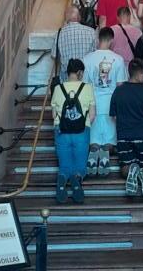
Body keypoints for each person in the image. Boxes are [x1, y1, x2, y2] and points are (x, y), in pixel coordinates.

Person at [110, 58, 143, 200]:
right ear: (141, 74)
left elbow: (114, 116)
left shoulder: (118, 91)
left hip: (124, 136)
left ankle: (132, 171)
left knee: (125, 165)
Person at [83, 28, 127, 177]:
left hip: (93, 105)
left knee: (94, 140)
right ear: (111, 40)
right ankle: (105, 154)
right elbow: (120, 86)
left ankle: (94, 152)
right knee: (110, 141)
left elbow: (85, 85)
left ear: (98, 39)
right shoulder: (118, 59)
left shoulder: (87, 59)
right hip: (111, 105)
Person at [51, 58, 96, 204]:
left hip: (61, 131)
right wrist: (84, 123)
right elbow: (92, 114)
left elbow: (53, 114)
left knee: (64, 165)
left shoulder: (58, 88)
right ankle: (76, 179)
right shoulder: (87, 88)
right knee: (80, 166)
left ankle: (62, 178)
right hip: (81, 131)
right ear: (80, 72)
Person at [51, 7, 97, 81]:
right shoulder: (91, 31)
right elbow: (96, 54)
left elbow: (54, 56)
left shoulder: (60, 33)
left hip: (67, 80)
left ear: (66, 18)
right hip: (87, 78)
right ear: (79, 17)